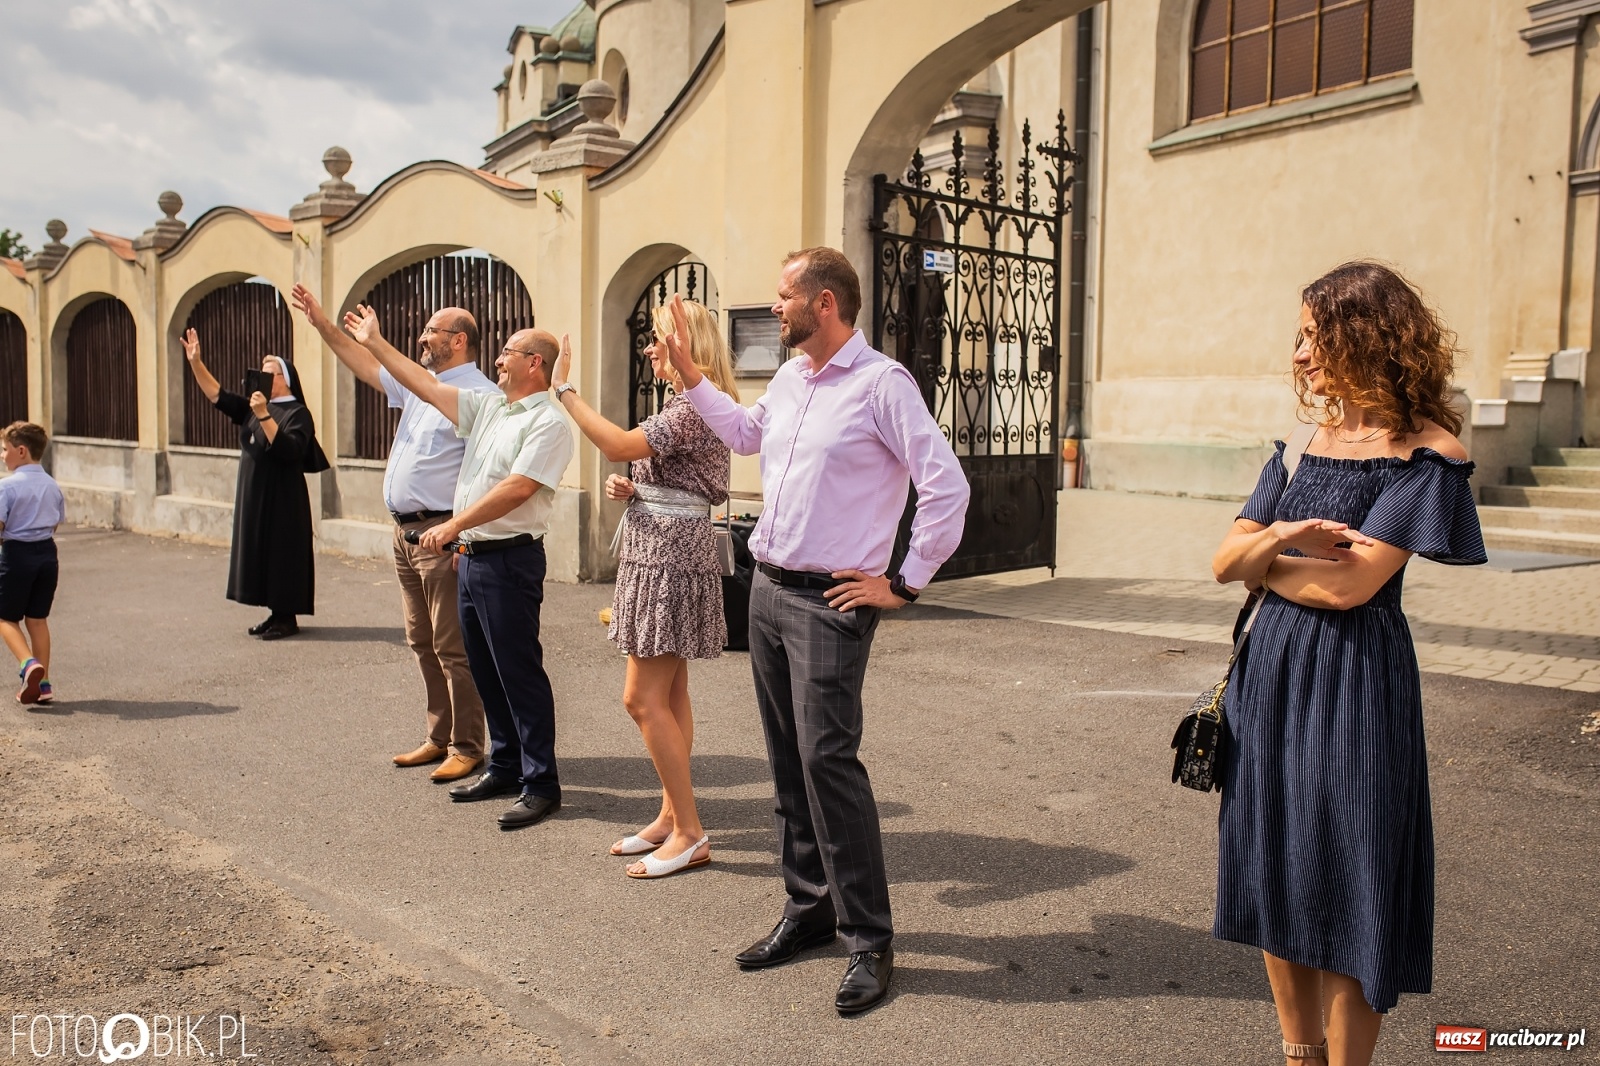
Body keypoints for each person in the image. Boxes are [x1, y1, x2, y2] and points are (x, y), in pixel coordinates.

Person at [666, 248, 969, 1014]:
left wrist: (903, 582)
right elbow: (741, 436)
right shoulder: (793, 377)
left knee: (829, 763)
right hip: (767, 589)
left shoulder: (881, 385)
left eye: (783, 296)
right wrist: (690, 379)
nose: (775, 307)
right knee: (787, 763)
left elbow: (946, 487)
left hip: (832, 601)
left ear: (825, 302)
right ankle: (809, 909)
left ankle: (869, 936)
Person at [1210, 261, 1486, 1066]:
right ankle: (1298, 1055)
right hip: (1272, 676)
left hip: (1356, 683)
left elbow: (1352, 588)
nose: (1298, 355)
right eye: (1299, 337)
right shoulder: (1302, 445)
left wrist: (1262, 554)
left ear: (1364, 336)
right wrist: (1282, 544)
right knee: (1274, 860)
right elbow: (1222, 561)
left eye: (1313, 335)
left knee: (1352, 867)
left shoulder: (1427, 455)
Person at [344, 305, 574, 831]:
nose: (497, 359)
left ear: (534, 363)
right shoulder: (492, 409)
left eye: (507, 353)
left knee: (519, 672)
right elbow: (424, 387)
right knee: (486, 670)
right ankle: (507, 764)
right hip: (472, 558)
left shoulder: (548, 423)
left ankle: (541, 784)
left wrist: (453, 525)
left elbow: (518, 488)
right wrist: (376, 342)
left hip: (508, 558)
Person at [548, 300, 736, 878]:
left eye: (658, 340)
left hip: (669, 559)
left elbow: (617, 443)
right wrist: (638, 489)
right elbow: (663, 473)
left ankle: (689, 831)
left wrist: (565, 392)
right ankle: (670, 816)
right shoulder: (690, 406)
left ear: (687, 345)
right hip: (666, 549)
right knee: (671, 694)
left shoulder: (689, 410)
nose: (650, 349)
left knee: (641, 699)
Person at [291, 285, 494, 784]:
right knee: (421, 641)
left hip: (440, 532)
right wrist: (322, 324)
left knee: (453, 646)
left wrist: (459, 537)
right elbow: (363, 366)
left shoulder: (476, 394)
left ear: (460, 341)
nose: (423, 338)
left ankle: (469, 745)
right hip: (405, 535)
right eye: (424, 331)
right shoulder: (419, 381)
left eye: (432, 331)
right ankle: (439, 736)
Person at [182, 330, 329, 640]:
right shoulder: (252, 407)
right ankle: (274, 613)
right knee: (261, 551)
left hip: (283, 499)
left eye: (269, 371)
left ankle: (286, 618)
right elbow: (216, 395)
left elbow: (289, 450)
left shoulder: (297, 413)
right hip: (256, 495)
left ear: (285, 380)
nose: (262, 374)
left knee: (282, 553)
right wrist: (196, 363)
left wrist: (263, 414)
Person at [0, 422, 65, 705]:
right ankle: (45, 683)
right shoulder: (52, 485)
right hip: (47, 557)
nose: (2, 455)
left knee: (5, 618)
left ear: (21, 451)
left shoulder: (7, 487)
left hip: (17, 556)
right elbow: (54, 525)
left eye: (5, 449)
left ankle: (28, 664)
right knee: (37, 620)